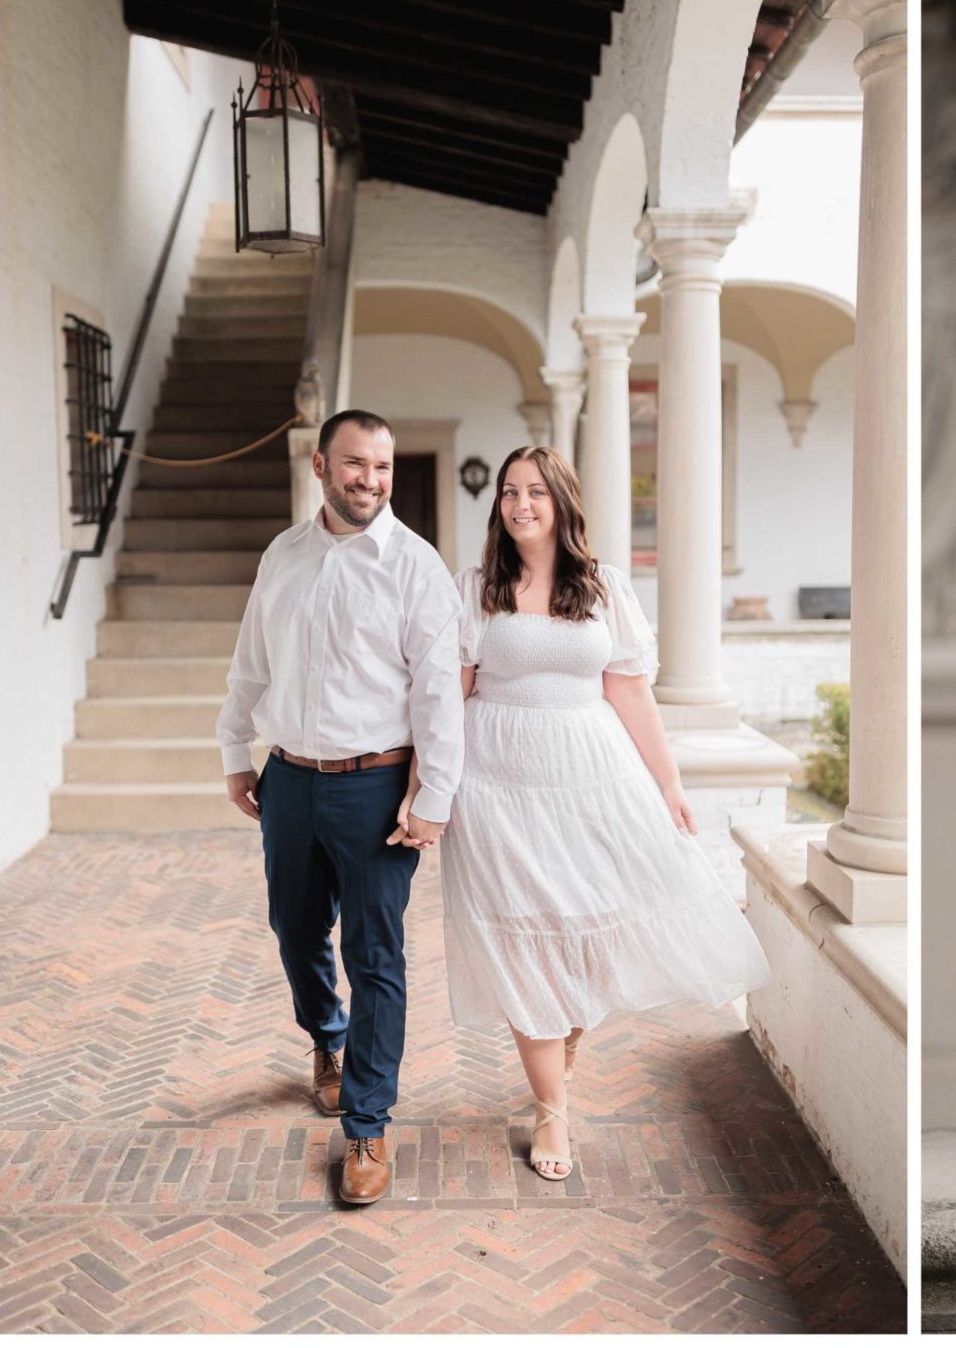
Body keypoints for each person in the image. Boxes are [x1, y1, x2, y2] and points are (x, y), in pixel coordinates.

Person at [419, 446, 770, 1181]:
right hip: (497, 783)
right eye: (510, 492)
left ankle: (561, 1042)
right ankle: (553, 1109)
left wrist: (669, 783)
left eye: (536, 493)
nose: (520, 504)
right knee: (524, 943)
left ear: (563, 502)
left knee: (588, 932)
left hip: (591, 776)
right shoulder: (477, 586)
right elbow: (447, 698)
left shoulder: (604, 586)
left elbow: (632, 692)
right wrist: (431, 787)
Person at [218, 409, 464, 1205]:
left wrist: (432, 798)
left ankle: (366, 1123)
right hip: (289, 778)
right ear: (322, 465)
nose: (371, 479)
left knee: (377, 955)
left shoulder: (416, 568)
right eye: (356, 463)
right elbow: (250, 663)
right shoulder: (283, 556)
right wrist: (235, 753)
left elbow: (438, 699)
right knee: (293, 927)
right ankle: (327, 1035)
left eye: (383, 466)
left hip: (377, 787)